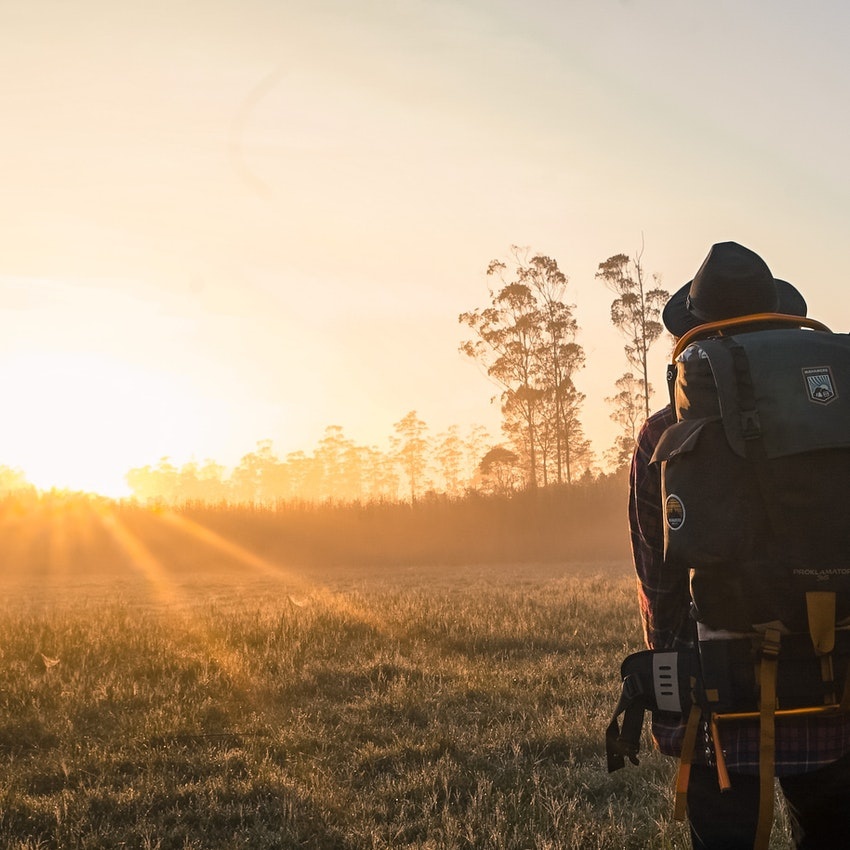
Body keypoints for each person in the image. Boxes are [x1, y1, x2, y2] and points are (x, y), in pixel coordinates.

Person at [630, 241, 850, 849]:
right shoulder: (841, 425)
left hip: (718, 711)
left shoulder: (662, 434)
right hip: (837, 691)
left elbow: (660, 581)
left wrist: (675, 689)